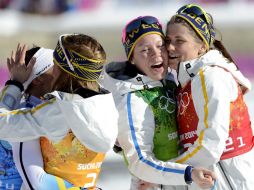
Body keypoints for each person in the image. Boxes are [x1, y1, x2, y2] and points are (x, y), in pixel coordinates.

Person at [98, 16, 216, 189]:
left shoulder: (170, 83)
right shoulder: (133, 100)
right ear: (132, 59)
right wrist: (187, 173)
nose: (156, 53)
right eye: (145, 50)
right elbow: (139, 162)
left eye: (160, 46)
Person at [0, 34, 118, 189]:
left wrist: (14, 84)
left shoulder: (55, 112)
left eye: (55, 64)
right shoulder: (107, 104)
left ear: (64, 71)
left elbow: (38, 183)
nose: (54, 69)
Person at [164, 3, 253, 190]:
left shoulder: (210, 76)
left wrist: (164, 174)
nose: (170, 47)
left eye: (179, 41)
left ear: (202, 46)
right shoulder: (187, 82)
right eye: (167, 41)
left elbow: (210, 145)